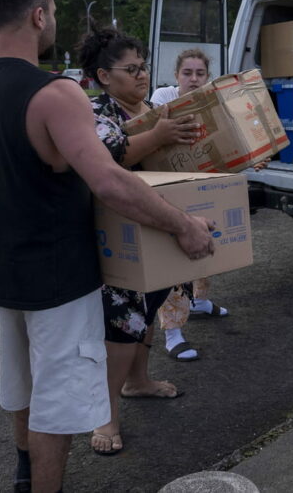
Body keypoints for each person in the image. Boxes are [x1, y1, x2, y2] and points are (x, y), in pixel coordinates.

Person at [0, 0, 215, 492]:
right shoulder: (55, 94)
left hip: (3, 272)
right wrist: (184, 225)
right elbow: (111, 182)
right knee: (61, 404)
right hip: (58, 278)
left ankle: (25, 480)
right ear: (39, 15)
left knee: (23, 387)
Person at [77, 28, 208, 454]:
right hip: (116, 236)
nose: (141, 76)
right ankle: (106, 414)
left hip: (160, 226)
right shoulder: (95, 114)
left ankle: (138, 381)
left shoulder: (155, 110)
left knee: (147, 310)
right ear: (103, 75)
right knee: (120, 326)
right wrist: (158, 136)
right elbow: (108, 162)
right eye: (130, 69)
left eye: (144, 67)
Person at [150, 49, 231, 362]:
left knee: (209, 244)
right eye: (188, 73)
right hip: (170, 187)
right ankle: (173, 334)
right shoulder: (162, 98)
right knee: (176, 260)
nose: (194, 79)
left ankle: (199, 302)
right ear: (176, 76)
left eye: (200, 73)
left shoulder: (212, 99)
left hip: (202, 182)